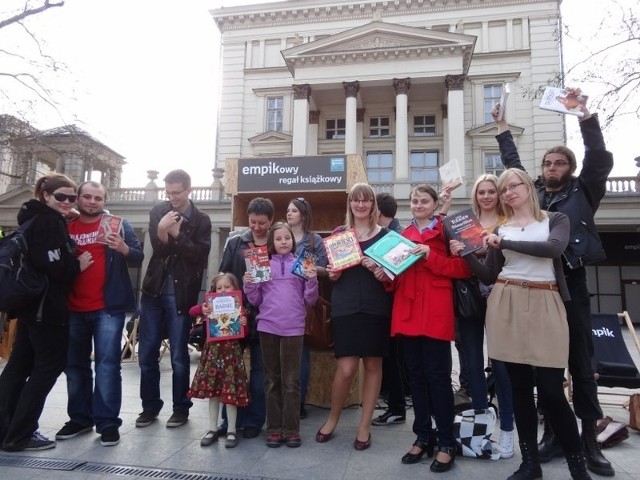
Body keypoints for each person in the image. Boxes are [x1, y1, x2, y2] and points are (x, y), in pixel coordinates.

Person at [493, 90, 615, 476]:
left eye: (559, 163)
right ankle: (549, 438)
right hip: (530, 289)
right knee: (540, 369)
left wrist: (584, 115)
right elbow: (513, 167)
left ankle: (589, 442)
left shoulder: (585, 190)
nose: (551, 167)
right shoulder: (537, 196)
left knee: (580, 364)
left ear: (570, 168)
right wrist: (501, 129)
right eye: (546, 163)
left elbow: (598, 158)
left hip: (570, 284)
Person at [452, 168, 593, 480]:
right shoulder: (502, 228)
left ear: (528, 186)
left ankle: (577, 466)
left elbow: (554, 249)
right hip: (506, 301)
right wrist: (466, 256)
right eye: (503, 190)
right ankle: (530, 464)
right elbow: (489, 275)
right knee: (517, 389)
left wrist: (503, 243)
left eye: (513, 185)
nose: (508, 193)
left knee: (551, 391)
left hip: (546, 301)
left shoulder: (554, 219)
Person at [0, 174, 89, 452]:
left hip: (29, 306)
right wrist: (78, 264)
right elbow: (55, 266)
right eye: (61, 197)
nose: (67, 202)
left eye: (71, 198)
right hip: (46, 308)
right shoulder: (49, 222)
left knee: (18, 367)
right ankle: (21, 433)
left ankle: (6, 430)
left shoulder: (31, 218)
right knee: (47, 367)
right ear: (46, 196)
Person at [56, 181, 143, 447]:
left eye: (98, 198)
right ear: (78, 199)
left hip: (107, 308)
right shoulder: (64, 226)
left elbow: (138, 256)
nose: (93, 202)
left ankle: (107, 423)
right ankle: (80, 418)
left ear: (105, 200)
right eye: (88, 197)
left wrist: (123, 248)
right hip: (71, 307)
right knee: (74, 367)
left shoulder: (118, 224)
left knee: (107, 366)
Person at [390, 185, 469, 473]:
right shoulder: (400, 236)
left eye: (424, 200)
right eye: (415, 200)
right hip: (408, 311)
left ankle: (446, 442)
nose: (418, 204)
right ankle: (423, 436)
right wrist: (383, 273)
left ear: (435, 204)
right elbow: (394, 278)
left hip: (435, 311)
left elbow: (463, 269)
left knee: (437, 378)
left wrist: (429, 256)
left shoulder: (447, 231)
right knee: (416, 378)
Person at [315, 183, 391, 451]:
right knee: (346, 369)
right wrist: (332, 273)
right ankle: (333, 418)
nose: (361, 205)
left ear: (373, 204)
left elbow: (396, 272)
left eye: (366, 200)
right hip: (346, 306)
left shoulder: (386, 236)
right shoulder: (339, 235)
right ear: (350, 204)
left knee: (373, 367)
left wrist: (383, 271)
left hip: (376, 307)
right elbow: (330, 272)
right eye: (356, 200)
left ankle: (364, 426)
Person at [136, 169, 212, 429]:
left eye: (177, 193)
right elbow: (159, 250)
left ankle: (180, 408)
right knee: (147, 354)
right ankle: (149, 407)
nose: (172, 198)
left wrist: (178, 233)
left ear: (189, 190)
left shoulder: (202, 220)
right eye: (168, 193)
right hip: (153, 291)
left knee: (179, 355)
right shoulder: (159, 211)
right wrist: (161, 230)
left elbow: (198, 256)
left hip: (180, 294)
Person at [244, 222, 319, 448]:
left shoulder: (305, 261)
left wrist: (312, 279)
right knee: (271, 380)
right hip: (267, 327)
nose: (284, 242)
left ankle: (292, 429)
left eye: (287, 238)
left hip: (294, 328)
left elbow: (311, 300)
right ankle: (274, 429)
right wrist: (249, 285)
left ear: (292, 241)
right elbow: (255, 300)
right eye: (279, 239)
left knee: (291, 382)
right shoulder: (262, 263)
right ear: (272, 243)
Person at [460, 174, 515, 458]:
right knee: (472, 361)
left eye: (491, 191)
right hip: (469, 297)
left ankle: (507, 428)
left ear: (498, 194)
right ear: (475, 195)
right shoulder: (465, 223)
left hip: (500, 297)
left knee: (502, 363)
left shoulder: (508, 222)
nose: (486, 196)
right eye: (481, 192)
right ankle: (481, 422)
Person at [218, 197, 274, 439]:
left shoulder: (277, 242)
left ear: (271, 221)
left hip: (267, 313)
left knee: (261, 371)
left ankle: (254, 420)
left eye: (262, 223)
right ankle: (229, 420)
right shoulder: (235, 242)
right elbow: (224, 276)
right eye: (253, 222)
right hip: (235, 312)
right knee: (232, 369)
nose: (257, 227)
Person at [188, 272, 249, 449]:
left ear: (235, 289)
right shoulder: (210, 305)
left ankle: (231, 430)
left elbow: (243, 333)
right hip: (213, 352)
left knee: (230, 394)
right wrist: (203, 309)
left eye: (227, 287)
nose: (223, 290)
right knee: (213, 392)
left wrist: (244, 322)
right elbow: (192, 311)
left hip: (231, 354)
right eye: (219, 287)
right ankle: (212, 429)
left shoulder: (239, 307)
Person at [285, 197, 328, 419]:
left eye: (293, 210)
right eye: (288, 210)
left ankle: (299, 401)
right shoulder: (280, 235)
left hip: (304, 300)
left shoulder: (314, 240)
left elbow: (326, 268)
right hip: (281, 300)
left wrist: (306, 268)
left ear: (303, 214)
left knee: (301, 354)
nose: (289, 213)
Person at [371, 192, 407, 426]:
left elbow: (396, 271)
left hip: (394, 307)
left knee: (393, 359)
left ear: (378, 212)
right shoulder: (396, 232)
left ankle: (396, 408)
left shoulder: (394, 236)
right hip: (389, 306)